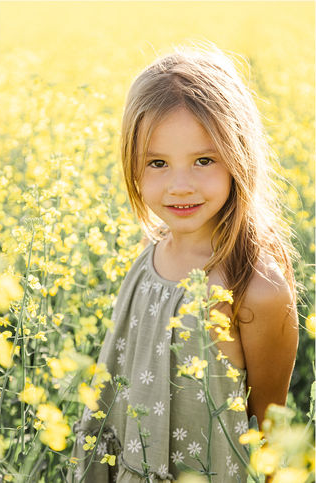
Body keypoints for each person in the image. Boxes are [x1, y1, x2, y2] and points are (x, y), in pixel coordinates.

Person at [67, 44, 298, 482]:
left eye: (204, 160)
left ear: (239, 157)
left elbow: (271, 430)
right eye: (157, 163)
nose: (179, 186)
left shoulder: (256, 289)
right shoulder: (150, 254)